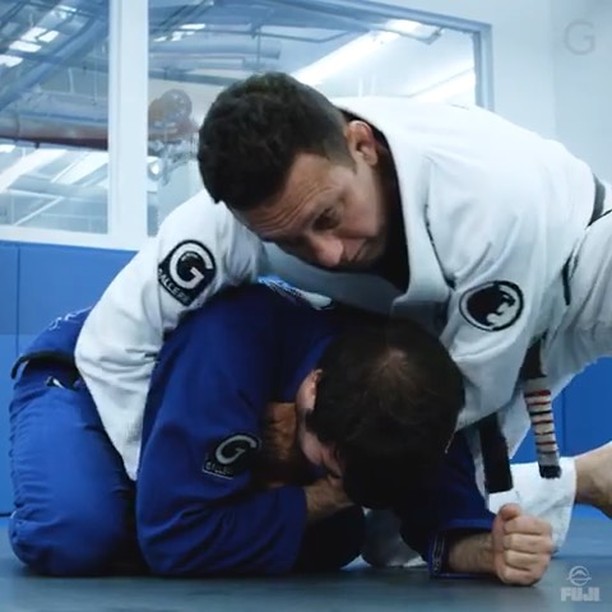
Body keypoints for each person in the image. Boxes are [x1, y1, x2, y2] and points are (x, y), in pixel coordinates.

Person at [73, 72, 612, 556]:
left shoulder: (489, 201)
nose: (328, 256)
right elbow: (112, 344)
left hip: (584, 259)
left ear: (362, 145)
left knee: (410, 482)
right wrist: (172, 480)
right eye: (289, 241)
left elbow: (463, 395)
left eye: (329, 216)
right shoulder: (227, 225)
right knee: (390, 544)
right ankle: (585, 478)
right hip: (443, 323)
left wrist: (317, 444)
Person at [8, 282, 553, 582]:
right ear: (311, 391)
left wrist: (486, 548)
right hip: (81, 379)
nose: (338, 481)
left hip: (197, 424)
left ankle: (181, 501)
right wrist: (323, 496)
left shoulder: (407, 395)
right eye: (331, 464)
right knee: (73, 533)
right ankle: (156, 503)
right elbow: (173, 544)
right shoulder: (228, 349)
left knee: (335, 541)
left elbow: (436, 503)